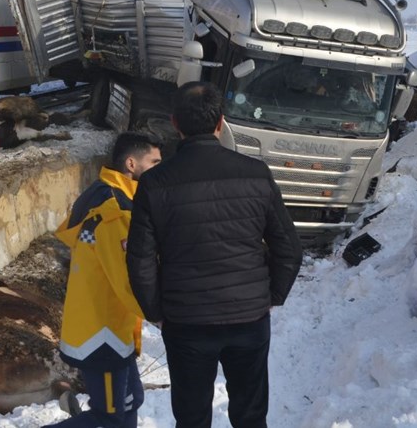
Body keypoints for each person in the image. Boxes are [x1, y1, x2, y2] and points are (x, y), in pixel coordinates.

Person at [126, 82, 303, 428]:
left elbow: (140, 260)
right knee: (251, 414)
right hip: (249, 320)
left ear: (175, 123)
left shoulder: (155, 183)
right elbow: (289, 249)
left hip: (186, 323)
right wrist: (270, 298)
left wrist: (156, 312)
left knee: (191, 418)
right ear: (220, 122)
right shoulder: (256, 174)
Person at [47, 132, 163, 428]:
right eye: (155, 162)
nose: (160, 169)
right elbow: (127, 278)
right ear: (131, 164)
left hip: (107, 328)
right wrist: (160, 314)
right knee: (109, 416)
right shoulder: (115, 212)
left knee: (132, 400)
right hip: (103, 337)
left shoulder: (101, 193)